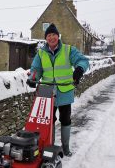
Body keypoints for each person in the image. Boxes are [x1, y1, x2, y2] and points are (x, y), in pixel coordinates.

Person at [27, 23, 89, 157]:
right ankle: (50, 147)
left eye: (53, 35)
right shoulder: (41, 53)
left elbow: (82, 60)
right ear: (46, 38)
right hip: (47, 92)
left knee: (65, 119)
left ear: (58, 36)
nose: (51, 38)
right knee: (48, 121)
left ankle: (65, 147)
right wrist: (33, 78)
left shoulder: (68, 50)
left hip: (65, 91)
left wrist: (79, 69)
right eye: (48, 35)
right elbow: (36, 69)